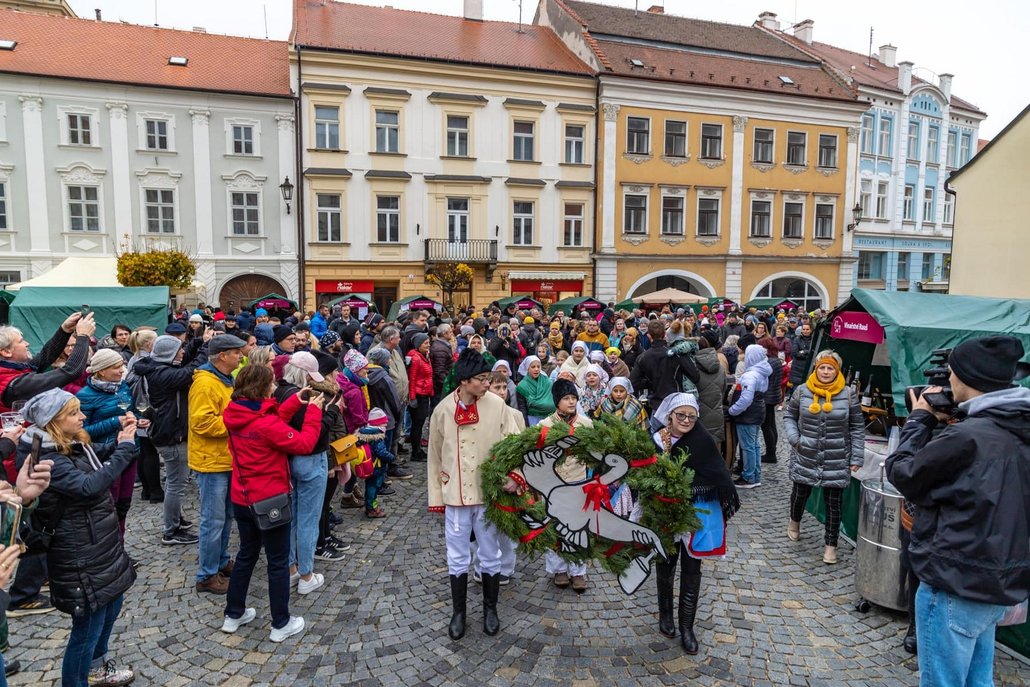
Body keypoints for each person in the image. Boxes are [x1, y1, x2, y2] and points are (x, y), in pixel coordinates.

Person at [886, 336, 1030, 687]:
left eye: (950, 374)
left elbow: (904, 472)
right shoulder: (1018, 426)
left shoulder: (968, 437)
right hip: (997, 581)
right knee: (978, 681)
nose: (947, 381)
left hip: (955, 578)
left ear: (967, 378)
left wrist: (920, 418)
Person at [21, 388, 138, 686]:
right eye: (74, 413)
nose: (83, 416)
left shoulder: (69, 443)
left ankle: (97, 668)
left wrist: (119, 438)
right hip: (78, 552)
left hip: (98, 543)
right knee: (86, 629)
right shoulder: (47, 457)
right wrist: (124, 449)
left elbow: (97, 455)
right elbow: (89, 486)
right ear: (53, 422)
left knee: (111, 605)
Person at [220, 364, 324, 643]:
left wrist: (294, 402)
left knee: (246, 555)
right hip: (270, 500)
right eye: (271, 384)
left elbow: (269, 419)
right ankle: (281, 623)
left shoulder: (235, 413)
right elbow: (303, 443)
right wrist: (313, 412)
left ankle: (233, 614)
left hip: (242, 497)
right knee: (277, 562)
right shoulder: (265, 424)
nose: (275, 387)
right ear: (263, 388)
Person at [428, 349, 523, 640]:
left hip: (487, 493)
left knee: (490, 553)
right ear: (466, 381)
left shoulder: (496, 405)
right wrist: (436, 497)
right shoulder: (443, 410)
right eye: (482, 379)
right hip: (455, 494)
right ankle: (459, 613)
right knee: (457, 557)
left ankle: (490, 609)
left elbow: (515, 444)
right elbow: (434, 456)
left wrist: (513, 476)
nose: (487, 383)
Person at [650, 393, 739, 654]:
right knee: (665, 566)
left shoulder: (703, 441)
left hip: (695, 516)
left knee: (692, 570)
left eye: (692, 416)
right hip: (665, 513)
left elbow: (718, 474)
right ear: (670, 415)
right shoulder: (657, 440)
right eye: (681, 416)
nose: (687, 420)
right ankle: (665, 615)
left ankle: (687, 627)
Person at [782, 350, 863, 564]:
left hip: (836, 456)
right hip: (805, 452)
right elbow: (790, 416)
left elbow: (856, 426)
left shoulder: (847, 394)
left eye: (830, 368)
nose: (826, 372)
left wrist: (856, 457)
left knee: (833, 503)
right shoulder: (802, 391)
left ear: (837, 371)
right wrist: (795, 439)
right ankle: (794, 521)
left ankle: (830, 545)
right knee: (800, 494)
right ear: (816, 368)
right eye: (822, 368)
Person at [134, 334, 210, 545]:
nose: (182, 352)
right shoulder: (162, 375)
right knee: (177, 484)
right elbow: (191, 370)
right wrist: (205, 348)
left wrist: (196, 342)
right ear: (168, 354)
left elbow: (185, 362)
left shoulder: (158, 367)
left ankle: (176, 518)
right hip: (171, 436)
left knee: (175, 482)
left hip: (169, 432)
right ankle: (171, 530)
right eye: (179, 350)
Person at [188, 334, 247, 595]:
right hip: (211, 461)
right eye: (236, 353)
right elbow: (201, 423)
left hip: (226, 458)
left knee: (226, 517)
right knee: (213, 520)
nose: (241, 357)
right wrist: (238, 423)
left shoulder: (226, 380)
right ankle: (207, 575)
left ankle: (221, 561)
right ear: (222, 356)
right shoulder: (205, 384)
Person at [75, 349, 139, 538]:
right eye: (116, 366)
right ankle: (110, 550)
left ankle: (121, 549)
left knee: (124, 505)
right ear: (101, 371)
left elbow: (133, 410)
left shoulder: (122, 387)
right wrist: (114, 422)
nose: (122, 370)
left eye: (122, 365)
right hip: (104, 456)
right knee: (109, 507)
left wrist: (138, 418)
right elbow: (81, 432)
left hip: (130, 450)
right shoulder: (84, 396)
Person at [538, 378, 593, 592]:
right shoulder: (544, 426)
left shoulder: (585, 424)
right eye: (566, 398)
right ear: (557, 402)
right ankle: (558, 569)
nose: (571, 402)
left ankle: (578, 571)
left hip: (578, 483)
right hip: (552, 486)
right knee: (554, 527)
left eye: (573, 398)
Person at [0, 312, 95, 414]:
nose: (27, 344)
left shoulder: (13, 372)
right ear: (6, 352)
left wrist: (64, 330)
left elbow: (44, 357)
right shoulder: (15, 385)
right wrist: (83, 336)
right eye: (21, 341)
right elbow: (71, 371)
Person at [630, 320, 700, 413]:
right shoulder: (676, 353)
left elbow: (634, 382)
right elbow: (695, 376)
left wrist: (651, 383)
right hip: (675, 403)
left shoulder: (643, 357)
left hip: (660, 404)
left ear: (649, 336)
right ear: (665, 334)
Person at [727, 345, 771, 489]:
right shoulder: (762, 372)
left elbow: (746, 399)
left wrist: (733, 410)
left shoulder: (750, 375)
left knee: (748, 447)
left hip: (748, 414)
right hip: (758, 410)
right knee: (754, 445)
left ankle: (748, 477)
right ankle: (755, 475)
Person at [693, 337, 726, 446]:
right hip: (717, 410)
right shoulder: (720, 367)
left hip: (698, 412)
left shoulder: (692, 368)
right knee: (716, 443)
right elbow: (723, 388)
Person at [406, 334, 433, 463]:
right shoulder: (416, 359)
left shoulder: (424, 356)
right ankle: (415, 451)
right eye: (425, 343)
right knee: (417, 425)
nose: (428, 345)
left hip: (424, 392)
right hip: (418, 394)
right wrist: (412, 398)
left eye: (428, 342)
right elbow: (412, 379)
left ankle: (417, 450)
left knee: (420, 424)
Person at [758, 338, 784, 464]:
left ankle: (770, 453)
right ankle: (771, 451)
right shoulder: (776, 360)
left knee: (767, 426)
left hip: (768, 397)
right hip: (773, 396)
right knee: (771, 424)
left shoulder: (770, 362)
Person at [515, 355, 553, 426]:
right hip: (533, 420)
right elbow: (522, 408)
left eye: (538, 366)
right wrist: (526, 425)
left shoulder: (548, 382)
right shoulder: (522, 386)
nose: (536, 369)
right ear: (527, 368)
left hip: (550, 419)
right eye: (533, 367)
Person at [787, 322, 814, 399]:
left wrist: (803, 351)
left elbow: (813, 353)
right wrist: (807, 352)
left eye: (807, 329)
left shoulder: (813, 340)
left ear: (811, 330)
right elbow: (795, 353)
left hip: (809, 368)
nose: (805, 331)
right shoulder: (797, 339)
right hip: (797, 369)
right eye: (804, 329)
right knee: (796, 394)